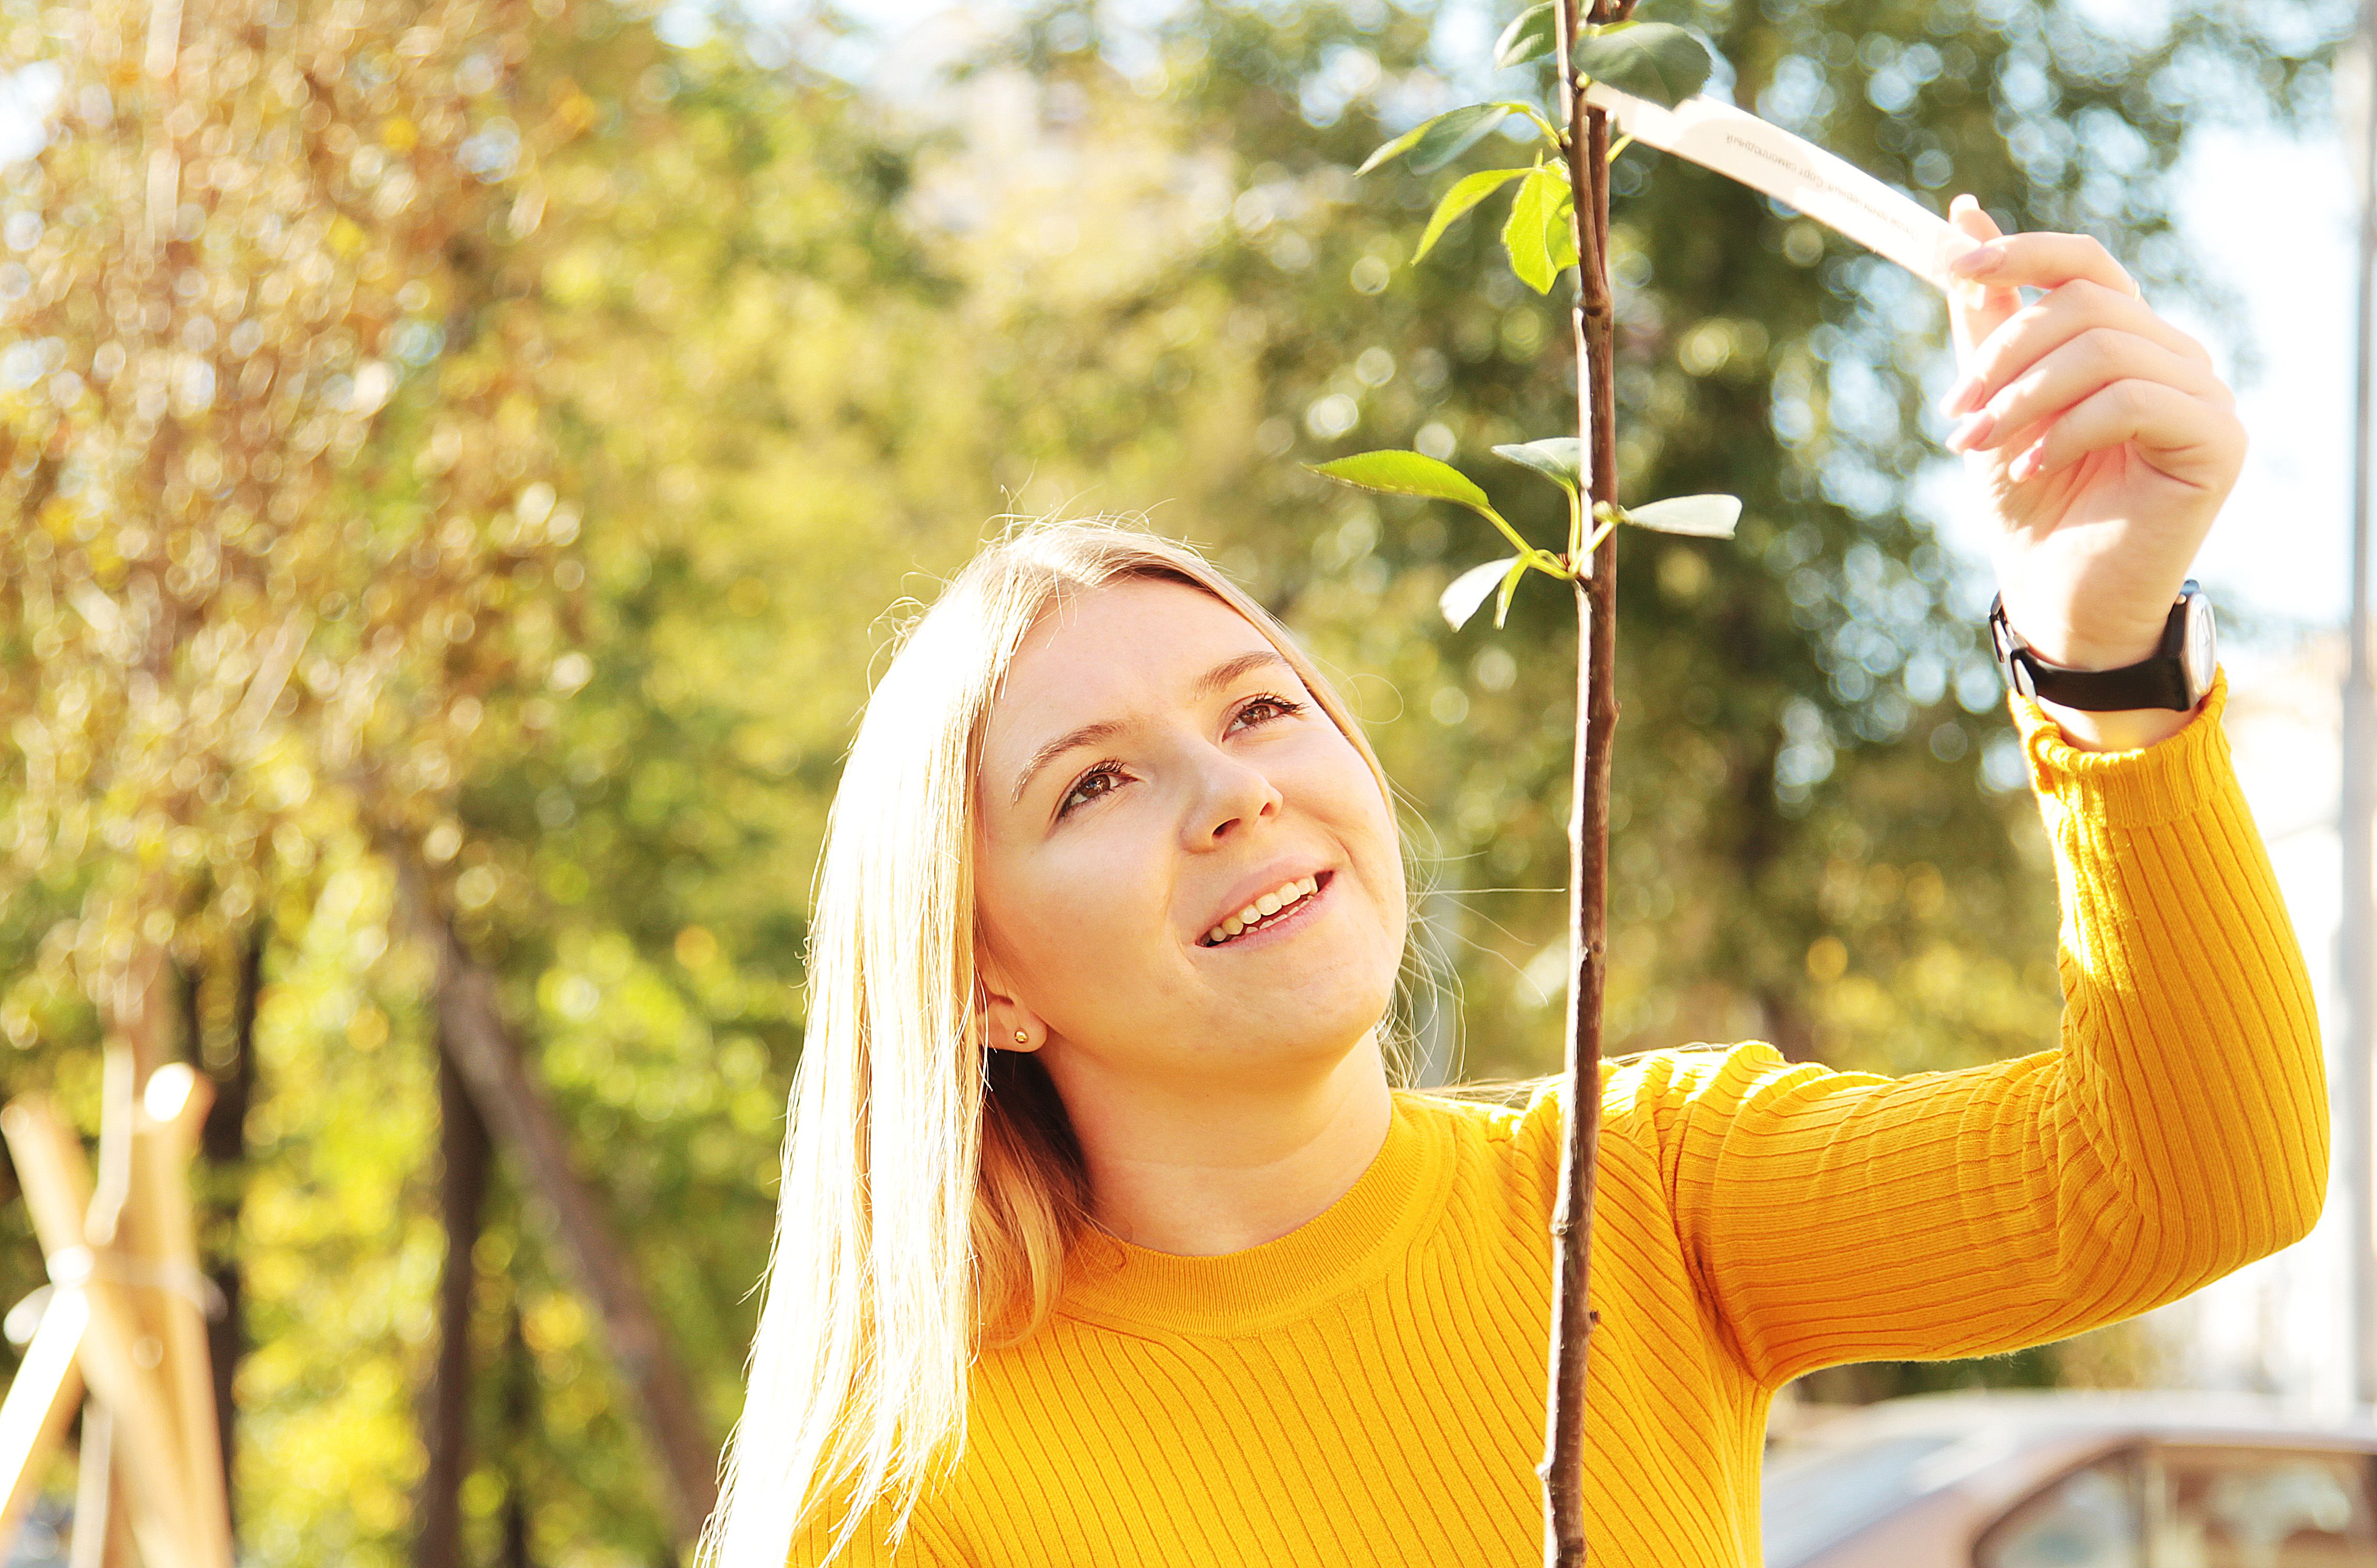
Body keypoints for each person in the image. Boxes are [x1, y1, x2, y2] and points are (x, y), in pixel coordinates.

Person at [700, 200, 2327, 1567]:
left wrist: (2100, 652)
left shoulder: (1641, 1196)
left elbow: (2195, 1183)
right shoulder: (906, 1493)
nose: (1236, 790)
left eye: (1259, 706)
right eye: (1098, 783)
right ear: (984, 979)